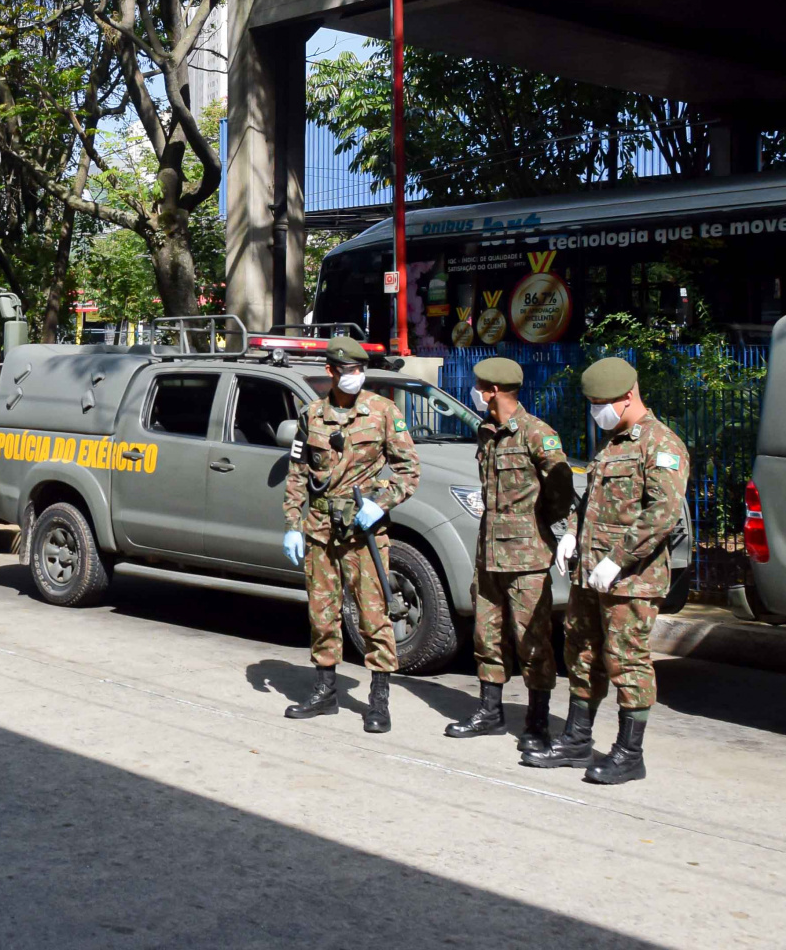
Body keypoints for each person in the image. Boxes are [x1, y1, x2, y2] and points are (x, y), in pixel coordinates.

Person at [523, 357, 688, 785]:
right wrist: (571, 534)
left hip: (631, 579)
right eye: (593, 403)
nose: (597, 411)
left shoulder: (660, 443)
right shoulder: (611, 444)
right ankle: (577, 741)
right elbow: (592, 503)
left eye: (603, 403)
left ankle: (629, 754)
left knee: (626, 660)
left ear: (629, 396)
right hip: (589, 574)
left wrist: (618, 558)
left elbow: (663, 512)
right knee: (581, 653)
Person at [281, 336, 419, 732]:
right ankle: (325, 691)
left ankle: (379, 701)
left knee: (374, 616)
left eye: (360, 370)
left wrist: (382, 502)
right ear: (331, 371)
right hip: (320, 530)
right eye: (348, 370)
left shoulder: (383, 411)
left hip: (363, 532)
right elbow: (297, 474)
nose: (355, 376)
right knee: (322, 614)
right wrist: (292, 524)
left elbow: (409, 470)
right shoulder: (311, 415)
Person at [446, 357, 576, 750]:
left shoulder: (537, 433)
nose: (476, 392)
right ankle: (490, 712)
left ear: (493, 391)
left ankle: (537, 722)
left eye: (479, 386)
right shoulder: (486, 431)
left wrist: (552, 529)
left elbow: (562, 490)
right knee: (486, 637)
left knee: (532, 640)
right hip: (488, 554)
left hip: (526, 557)